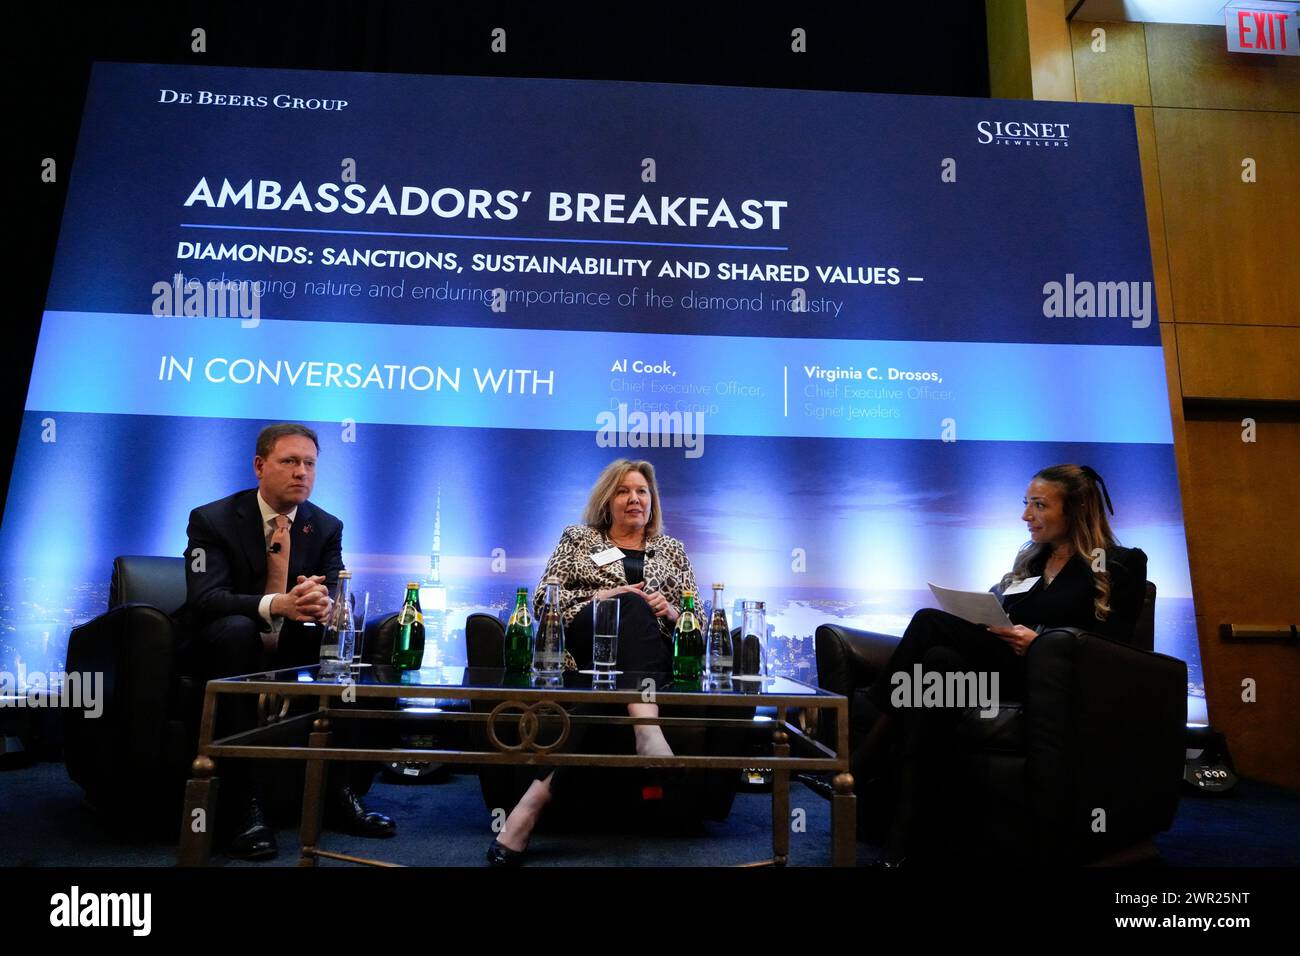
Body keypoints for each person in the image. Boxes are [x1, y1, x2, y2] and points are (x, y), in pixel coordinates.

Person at [862, 464, 1147, 865]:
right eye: (1026, 503)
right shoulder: (1028, 564)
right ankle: (909, 836)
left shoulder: (1121, 563)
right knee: (938, 664)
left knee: (928, 623)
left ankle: (862, 761)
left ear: (1077, 508)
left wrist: (1042, 642)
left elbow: (1116, 648)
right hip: (999, 674)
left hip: (1054, 683)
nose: (1026, 515)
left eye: (1039, 504)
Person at [181, 422, 395, 861]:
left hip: (293, 640)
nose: (302, 472)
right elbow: (207, 599)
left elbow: (339, 591)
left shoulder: (325, 525)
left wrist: (327, 605)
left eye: (310, 464)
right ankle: (245, 807)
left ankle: (340, 791)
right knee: (240, 631)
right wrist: (279, 603)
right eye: (290, 462)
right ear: (260, 466)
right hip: (226, 640)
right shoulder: (212, 520)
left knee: (345, 641)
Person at [487, 458, 700, 865]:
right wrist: (604, 598)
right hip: (583, 642)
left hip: (645, 657)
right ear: (607, 501)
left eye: (641, 491)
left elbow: (698, 619)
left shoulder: (673, 551)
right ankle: (648, 731)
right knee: (626, 605)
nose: (634, 499)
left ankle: (528, 808)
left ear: (652, 501)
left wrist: (672, 612)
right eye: (623, 491)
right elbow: (544, 600)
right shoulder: (579, 539)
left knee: (614, 662)